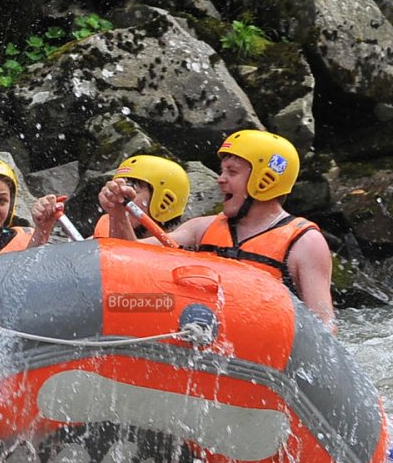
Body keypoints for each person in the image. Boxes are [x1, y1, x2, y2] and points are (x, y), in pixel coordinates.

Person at [98, 129, 335, 330]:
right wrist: (118, 213)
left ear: (266, 179)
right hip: (198, 334)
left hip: (263, 351)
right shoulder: (201, 228)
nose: (220, 179)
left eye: (232, 172)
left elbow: (324, 325)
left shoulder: (305, 243)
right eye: (222, 171)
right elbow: (128, 258)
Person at [92, 155, 188, 239]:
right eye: (118, 190)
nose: (118, 199)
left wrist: (119, 216)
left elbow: (126, 252)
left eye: (132, 191)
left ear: (163, 204)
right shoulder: (100, 238)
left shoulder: (179, 251)